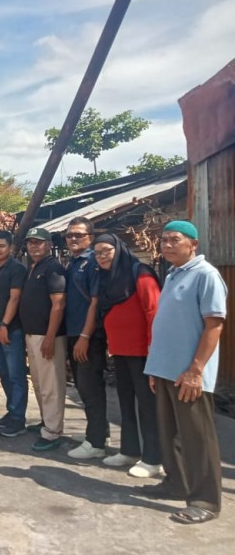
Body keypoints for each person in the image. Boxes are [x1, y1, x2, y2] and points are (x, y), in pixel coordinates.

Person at [144, 220, 227, 525]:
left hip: (189, 374)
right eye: (163, 240)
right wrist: (154, 367)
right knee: (170, 435)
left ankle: (205, 500)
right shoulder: (173, 274)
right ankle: (176, 483)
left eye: (174, 240)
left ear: (193, 244)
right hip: (165, 370)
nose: (167, 245)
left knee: (197, 437)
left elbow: (214, 325)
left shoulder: (206, 276)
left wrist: (196, 370)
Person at [93, 234, 161, 477]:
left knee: (147, 406)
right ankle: (129, 450)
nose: (101, 256)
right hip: (120, 351)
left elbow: (154, 310)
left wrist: (154, 347)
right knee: (125, 402)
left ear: (118, 250)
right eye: (97, 253)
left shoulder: (139, 272)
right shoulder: (107, 278)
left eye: (106, 251)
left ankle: (153, 458)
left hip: (143, 352)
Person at [63, 217, 110, 461]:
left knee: (89, 387)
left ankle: (96, 442)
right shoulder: (74, 263)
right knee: (85, 386)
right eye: (70, 235)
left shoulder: (92, 263)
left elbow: (94, 301)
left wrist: (84, 336)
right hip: (75, 333)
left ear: (90, 237)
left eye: (78, 235)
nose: (73, 239)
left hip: (87, 336)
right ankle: (101, 433)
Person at [19, 227, 67, 451]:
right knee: (38, 383)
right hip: (33, 334)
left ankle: (52, 432)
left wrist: (50, 336)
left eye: (38, 242)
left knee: (51, 386)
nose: (33, 246)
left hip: (47, 336)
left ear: (48, 244)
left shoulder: (54, 268)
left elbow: (58, 303)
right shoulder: (33, 267)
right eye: (30, 243)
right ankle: (46, 421)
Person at [0, 230, 29, 438]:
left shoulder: (17, 269)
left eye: (1, 246)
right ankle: (12, 411)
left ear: (10, 248)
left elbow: (15, 298)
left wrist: (4, 324)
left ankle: (19, 418)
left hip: (10, 331)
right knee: (4, 374)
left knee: (16, 375)